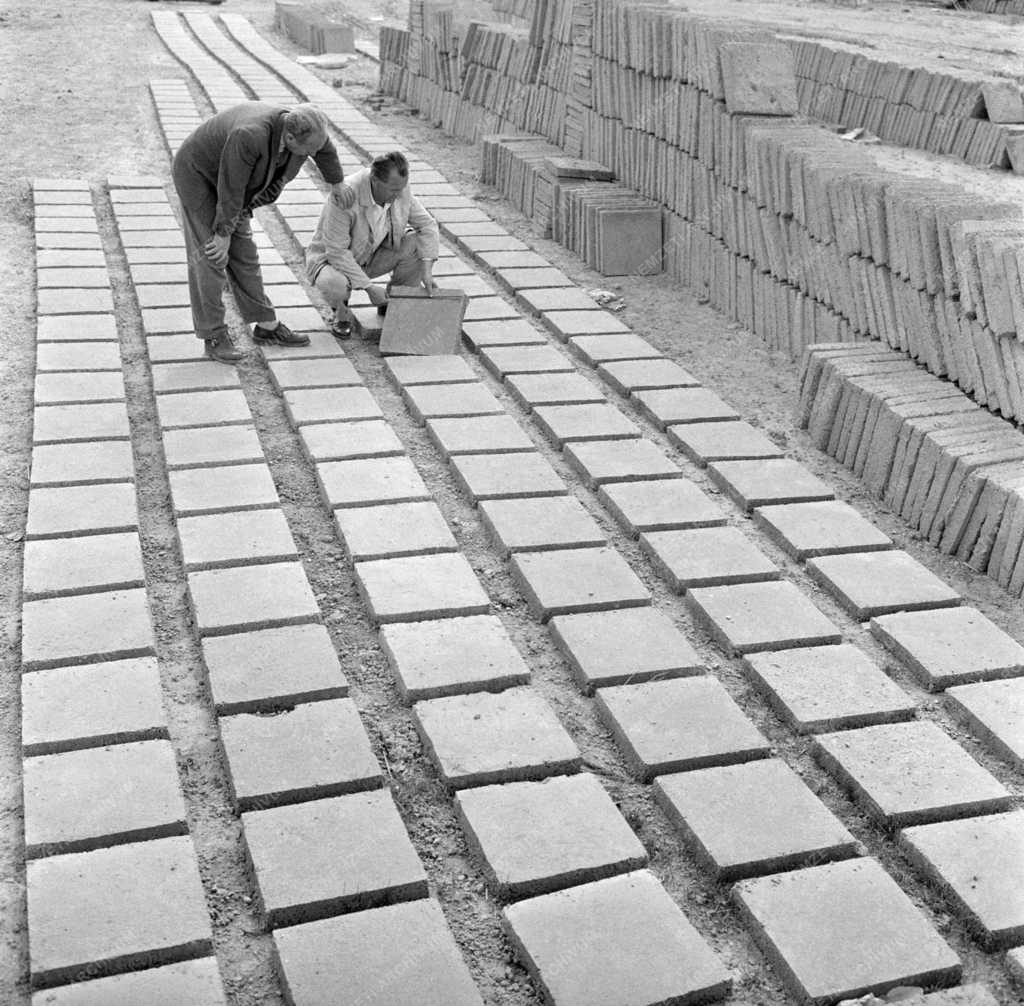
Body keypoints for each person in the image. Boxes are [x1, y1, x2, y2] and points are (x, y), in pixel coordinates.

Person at [172, 102, 352, 363]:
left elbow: (324, 148)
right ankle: (213, 335)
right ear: (289, 138)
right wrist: (222, 234)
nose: (314, 154)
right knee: (210, 255)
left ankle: (267, 326)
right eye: (309, 150)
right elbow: (231, 189)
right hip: (199, 175)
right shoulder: (250, 135)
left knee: (244, 252)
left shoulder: (308, 127)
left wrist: (337, 183)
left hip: (234, 184)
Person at [305, 150, 440, 339]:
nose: (398, 194)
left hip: (371, 254)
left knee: (418, 244)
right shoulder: (346, 195)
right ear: (375, 180)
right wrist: (369, 287)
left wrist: (426, 271)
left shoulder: (400, 189)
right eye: (393, 190)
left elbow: (427, 225)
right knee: (336, 284)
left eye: (401, 188)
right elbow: (336, 252)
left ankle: (395, 301)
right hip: (332, 262)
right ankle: (341, 313)